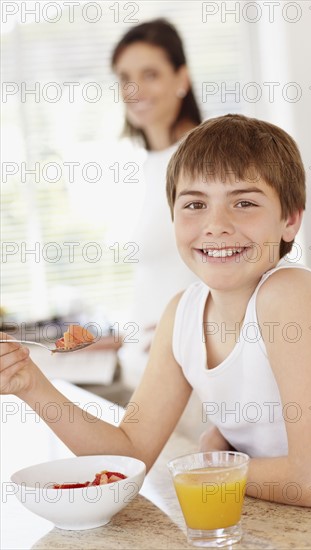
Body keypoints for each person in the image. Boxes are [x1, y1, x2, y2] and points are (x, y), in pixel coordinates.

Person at [1, 114, 311, 509]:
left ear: (289, 220)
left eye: (244, 202)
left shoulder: (291, 294)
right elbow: (130, 456)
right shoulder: (183, 315)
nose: (216, 225)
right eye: (194, 204)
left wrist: (213, 464)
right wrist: (31, 385)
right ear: (173, 216)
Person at [109, 19, 202, 388]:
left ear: (182, 78)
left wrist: (178, 331)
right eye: (124, 77)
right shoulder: (150, 163)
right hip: (144, 365)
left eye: (150, 74)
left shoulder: (202, 160)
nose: (134, 89)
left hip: (187, 369)